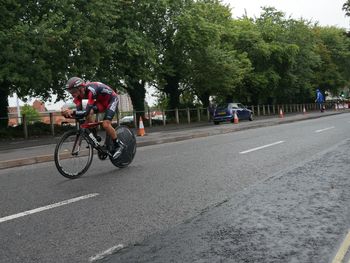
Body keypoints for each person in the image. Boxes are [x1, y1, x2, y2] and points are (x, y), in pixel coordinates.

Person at [61, 77, 125, 159]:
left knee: (105, 124)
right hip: (100, 102)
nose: (71, 93)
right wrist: (66, 114)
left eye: (73, 91)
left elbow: (85, 111)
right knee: (88, 115)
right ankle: (95, 137)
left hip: (111, 100)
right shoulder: (77, 98)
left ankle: (118, 145)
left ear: (81, 88)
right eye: (70, 91)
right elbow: (80, 114)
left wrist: (72, 112)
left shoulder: (92, 90)